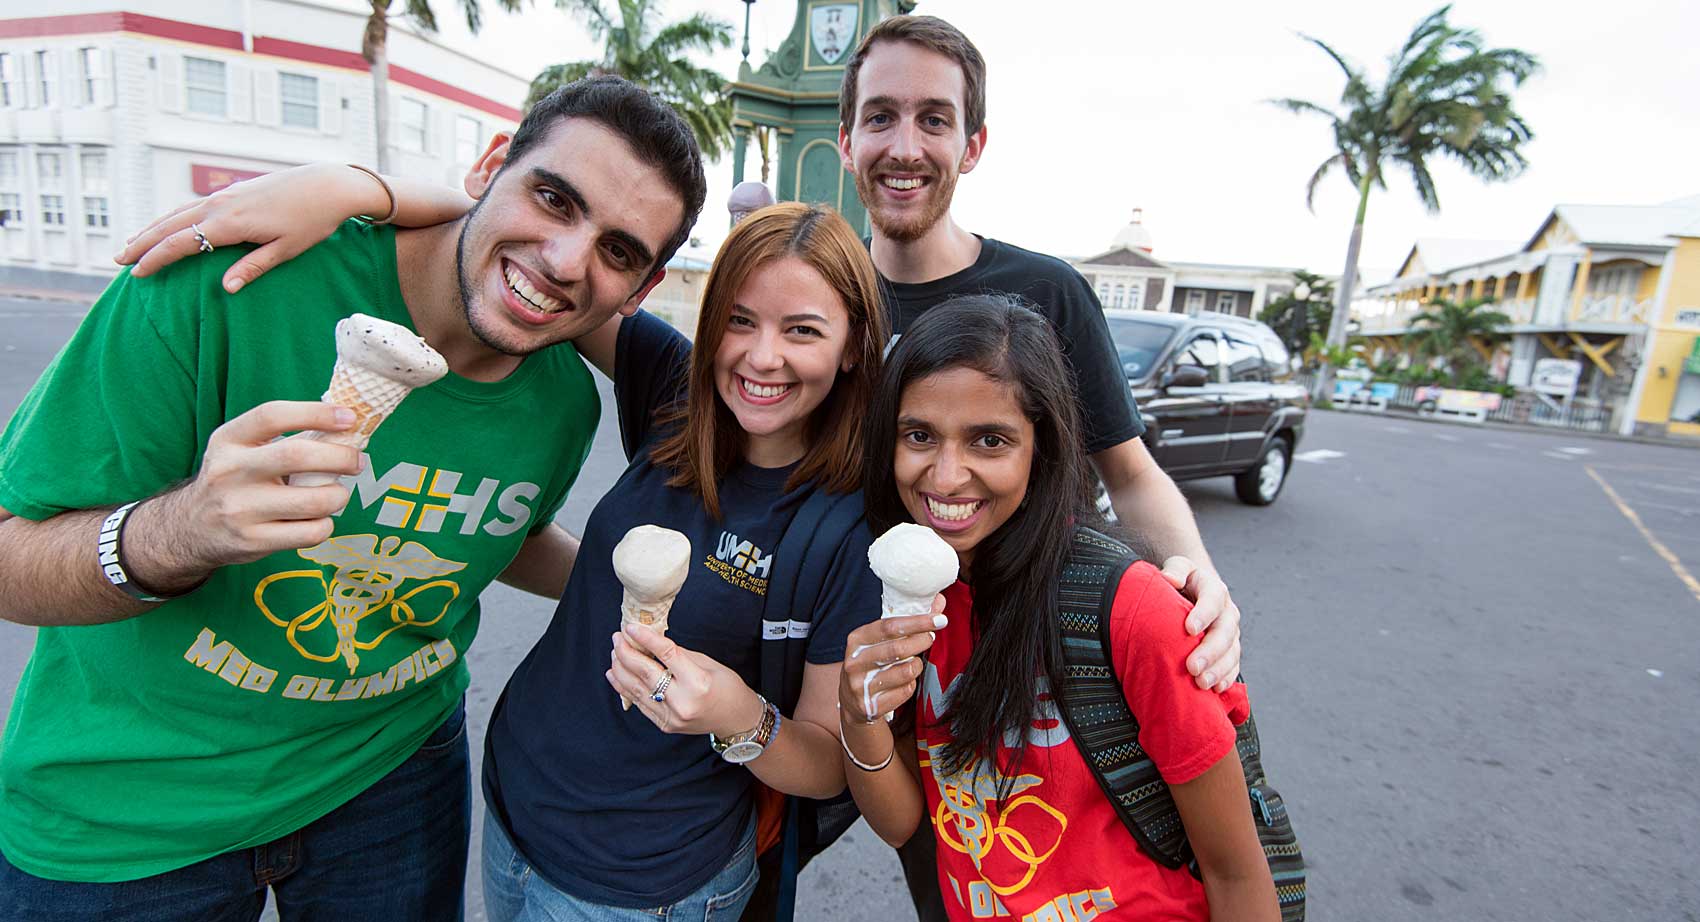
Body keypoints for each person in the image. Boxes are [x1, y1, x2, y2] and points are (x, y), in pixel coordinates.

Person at [0, 75, 706, 920]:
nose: (564, 260)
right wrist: (179, 532)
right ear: (488, 167)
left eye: (618, 250)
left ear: (640, 286)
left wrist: (652, 586)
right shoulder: (233, 279)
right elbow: (13, 554)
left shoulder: (562, 403)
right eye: (552, 197)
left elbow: (496, 529)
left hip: (390, 786)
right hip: (123, 813)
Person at [478, 201, 888, 920]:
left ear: (852, 346)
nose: (761, 357)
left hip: (643, 885)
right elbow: (558, 279)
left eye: (802, 331)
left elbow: (828, 766)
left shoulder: (848, 531)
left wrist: (739, 717)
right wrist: (349, 191)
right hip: (511, 806)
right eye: (739, 319)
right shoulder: (678, 393)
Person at [838, 295, 1281, 921]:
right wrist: (859, 717)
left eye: (989, 441)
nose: (944, 476)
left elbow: (1235, 873)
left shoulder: (1132, 610)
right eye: (919, 435)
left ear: (1039, 448)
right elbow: (907, 822)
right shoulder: (910, 595)